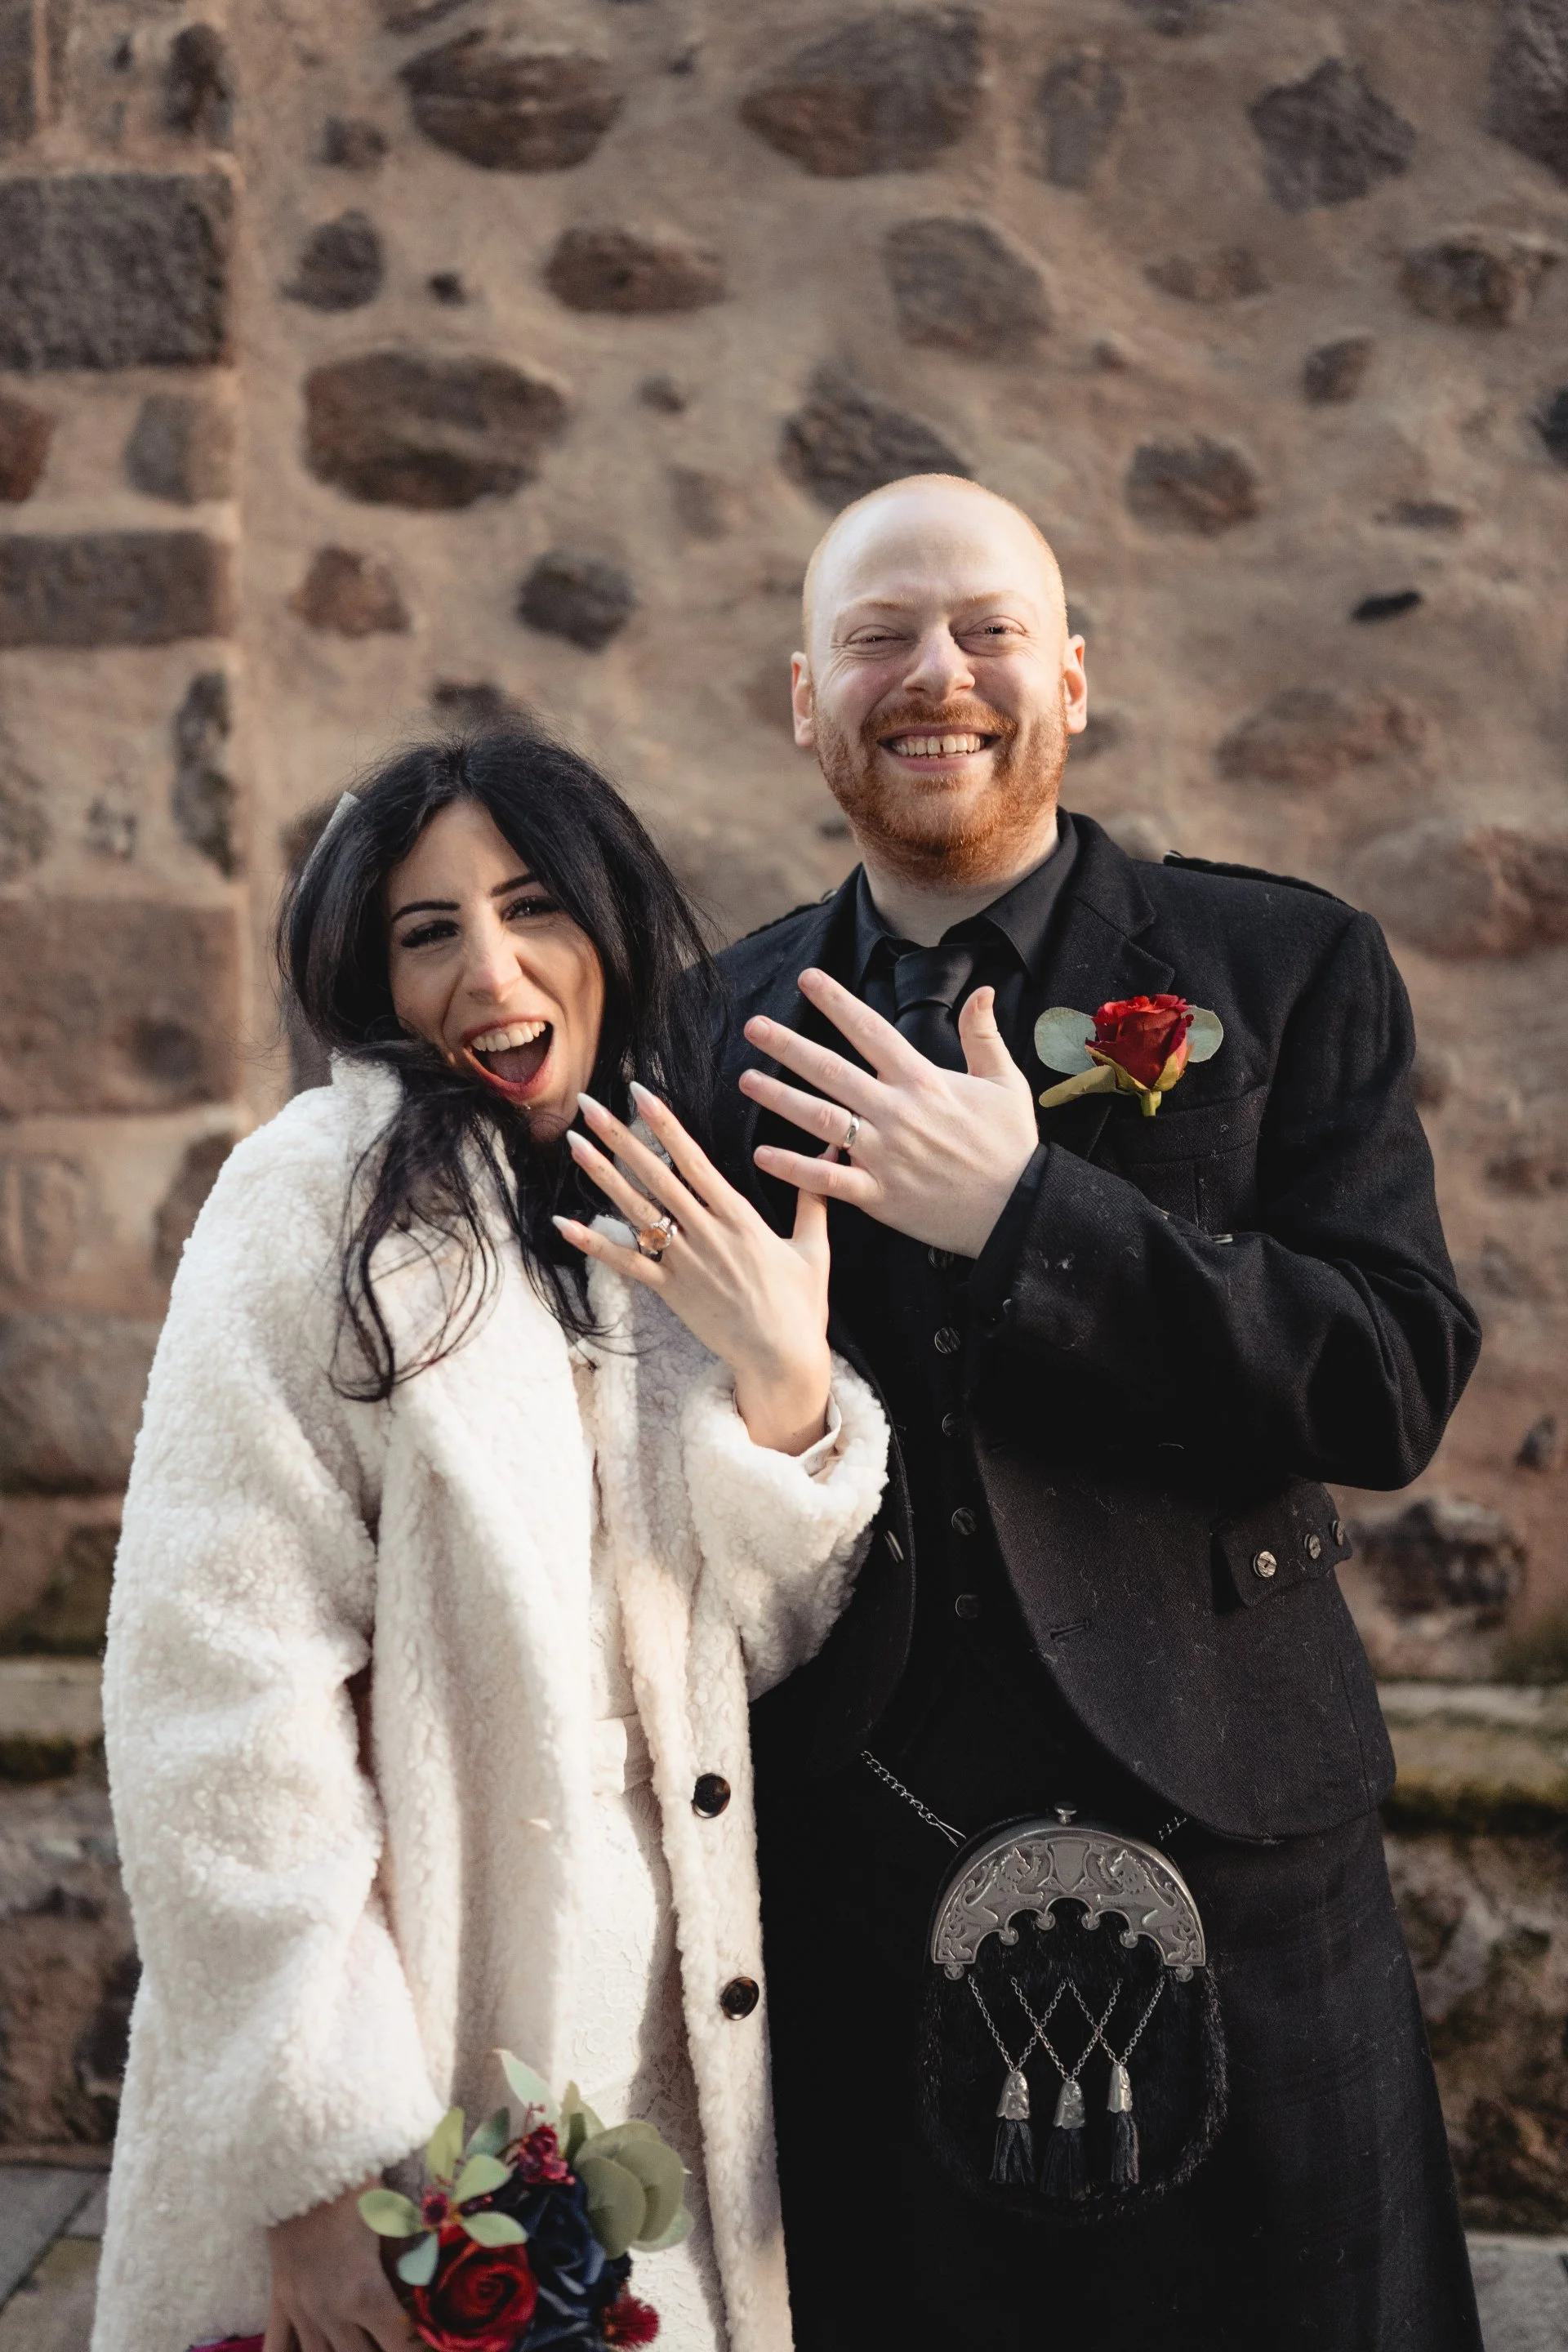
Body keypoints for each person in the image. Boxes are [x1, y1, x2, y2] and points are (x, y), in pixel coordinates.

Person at [707, 474, 1486, 2350]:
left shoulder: (1281, 971)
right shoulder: (710, 1024)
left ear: (1073, 675)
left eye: (985, 627)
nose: (937, 674)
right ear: (806, 702)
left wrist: (1033, 1217)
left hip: (1241, 1825)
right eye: (877, 637)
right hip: (854, 1856)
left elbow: (1387, 1376)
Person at [92, 729, 889, 2352]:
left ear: (606, 927)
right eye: (429, 929)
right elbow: (216, 1707)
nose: (493, 970)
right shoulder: (307, 1200)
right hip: (419, 2021)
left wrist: (788, 1387)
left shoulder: (661, 1194)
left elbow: (766, 1643)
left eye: (532, 909)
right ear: (374, 975)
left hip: (657, 2047)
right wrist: (318, 2169)